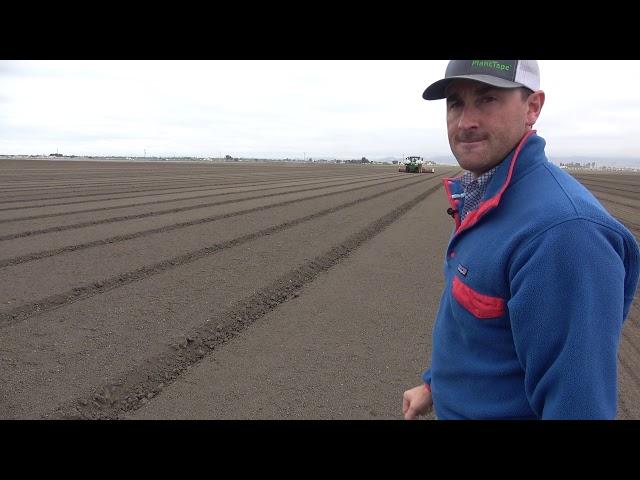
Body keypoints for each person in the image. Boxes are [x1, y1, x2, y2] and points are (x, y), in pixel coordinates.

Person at [402, 60, 640, 420]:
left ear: (533, 107)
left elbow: (578, 407)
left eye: (487, 100)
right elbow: (476, 326)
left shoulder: (563, 233)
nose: (466, 121)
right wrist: (434, 385)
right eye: (455, 103)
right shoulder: (484, 196)